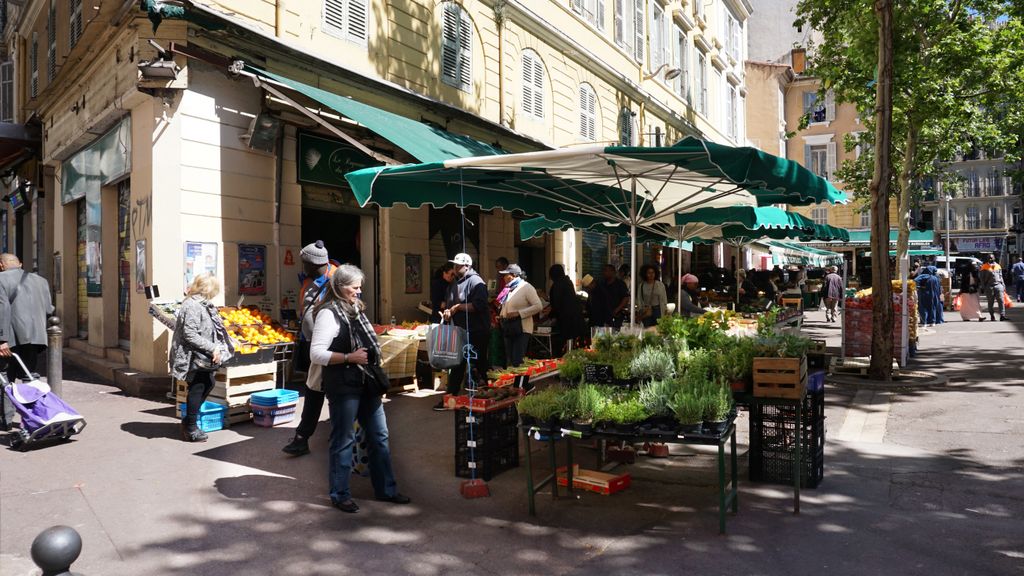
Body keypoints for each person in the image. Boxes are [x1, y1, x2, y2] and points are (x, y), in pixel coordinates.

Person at [309, 265, 410, 513]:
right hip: (343, 385)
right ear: (340, 287)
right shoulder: (328, 314)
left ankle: (387, 489)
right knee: (343, 439)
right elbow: (316, 353)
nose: (359, 291)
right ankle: (340, 493)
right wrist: (348, 357)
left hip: (367, 382)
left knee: (379, 436)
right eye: (355, 287)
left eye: (359, 286)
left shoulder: (355, 309)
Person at [283, 241, 339, 457]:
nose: (302, 267)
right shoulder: (310, 279)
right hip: (315, 345)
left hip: (331, 347)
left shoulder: (337, 280)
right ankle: (304, 438)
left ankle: (305, 438)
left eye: (304, 263)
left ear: (313, 263)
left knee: (322, 391)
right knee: (316, 389)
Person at [169, 274, 234, 442]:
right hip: (192, 355)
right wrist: (212, 347)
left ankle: (188, 421)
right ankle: (190, 428)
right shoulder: (192, 306)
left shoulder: (203, 304)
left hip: (201, 354)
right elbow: (190, 334)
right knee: (198, 387)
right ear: (208, 289)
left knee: (207, 383)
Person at [0, 254, 54, 431]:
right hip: (36, 338)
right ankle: (33, 418)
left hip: (10, 339)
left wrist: (2, 339)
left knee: (6, 378)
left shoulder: (1, 279)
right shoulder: (41, 281)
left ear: (1, 265)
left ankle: (6, 421)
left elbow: (2, 309)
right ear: (20, 264)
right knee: (29, 377)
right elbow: (49, 309)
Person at [434, 253, 489, 411]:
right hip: (460, 331)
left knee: (480, 363)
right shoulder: (454, 282)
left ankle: (488, 396)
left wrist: (458, 307)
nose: (455, 268)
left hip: (477, 330)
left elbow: (479, 305)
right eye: (454, 265)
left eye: (458, 265)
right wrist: (447, 311)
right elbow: (450, 304)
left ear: (467, 266)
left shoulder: (476, 282)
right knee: (457, 363)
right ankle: (450, 397)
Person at [496, 264, 543, 367]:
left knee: (517, 360)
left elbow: (538, 306)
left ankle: (521, 382)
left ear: (514, 275)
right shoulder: (508, 288)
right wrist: (501, 315)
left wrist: (519, 313)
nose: (503, 277)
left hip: (521, 328)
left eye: (506, 275)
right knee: (509, 359)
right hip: (508, 327)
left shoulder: (526, 287)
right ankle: (512, 382)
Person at [547, 264, 586, 355]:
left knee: (565, 345)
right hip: (575, 319)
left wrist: (550, 314)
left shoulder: (558, 285)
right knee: (574, 344)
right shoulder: (567, 282)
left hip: (566, 321)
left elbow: (557, 304)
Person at [980, 255, 1008, 321]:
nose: (990, 258)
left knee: (1001, 301)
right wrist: (982, 287)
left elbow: (1001, 276)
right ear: (987, 258)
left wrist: (1003, 285)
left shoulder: (998, 266)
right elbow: (982, 278)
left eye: (991, 257)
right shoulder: (984, 267)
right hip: (989, 287)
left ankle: (1002, 316)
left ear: (994, 258)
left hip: (998, 285)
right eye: (989, 257)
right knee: (990, 302)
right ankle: (992, 315)